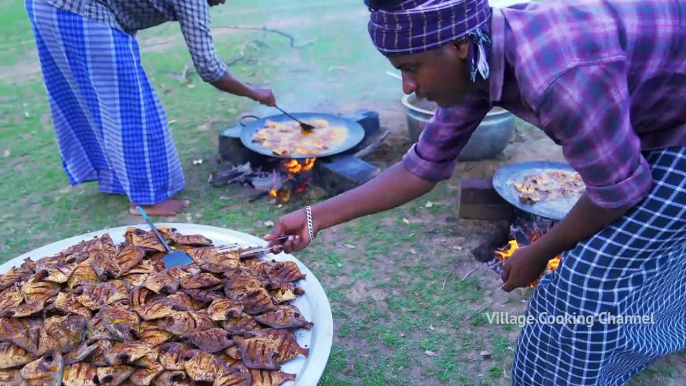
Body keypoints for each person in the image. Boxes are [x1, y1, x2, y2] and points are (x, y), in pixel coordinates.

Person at [265, 0, 686, 384]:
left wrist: (537, 253)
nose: (407, 87)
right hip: (656, 114)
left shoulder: (559, 75)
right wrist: (313, 217)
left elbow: (617, 190)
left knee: (581, 283)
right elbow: (420, 168)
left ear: (459, 46)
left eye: (411, 67)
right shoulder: (477, 57)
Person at [25, 0, 276, 216]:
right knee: (133, 107)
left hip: (50, 7)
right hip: (74, 8)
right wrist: (255, 92)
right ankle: (146, 200)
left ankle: (121, 180)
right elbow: (209, 69)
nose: (224, 2)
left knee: (98, 101)